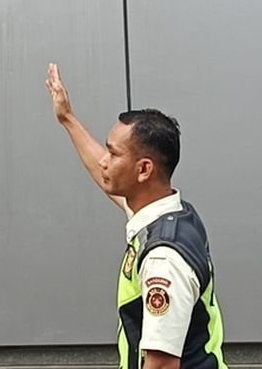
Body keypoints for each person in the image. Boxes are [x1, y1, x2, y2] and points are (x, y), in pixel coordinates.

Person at [46, 64, 227, 369]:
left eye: (114, 154)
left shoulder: (164, 258)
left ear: (144, 169)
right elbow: (106, 178)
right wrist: (68, 118)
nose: (105, 161)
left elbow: (162, 364)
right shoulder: (171, 213)